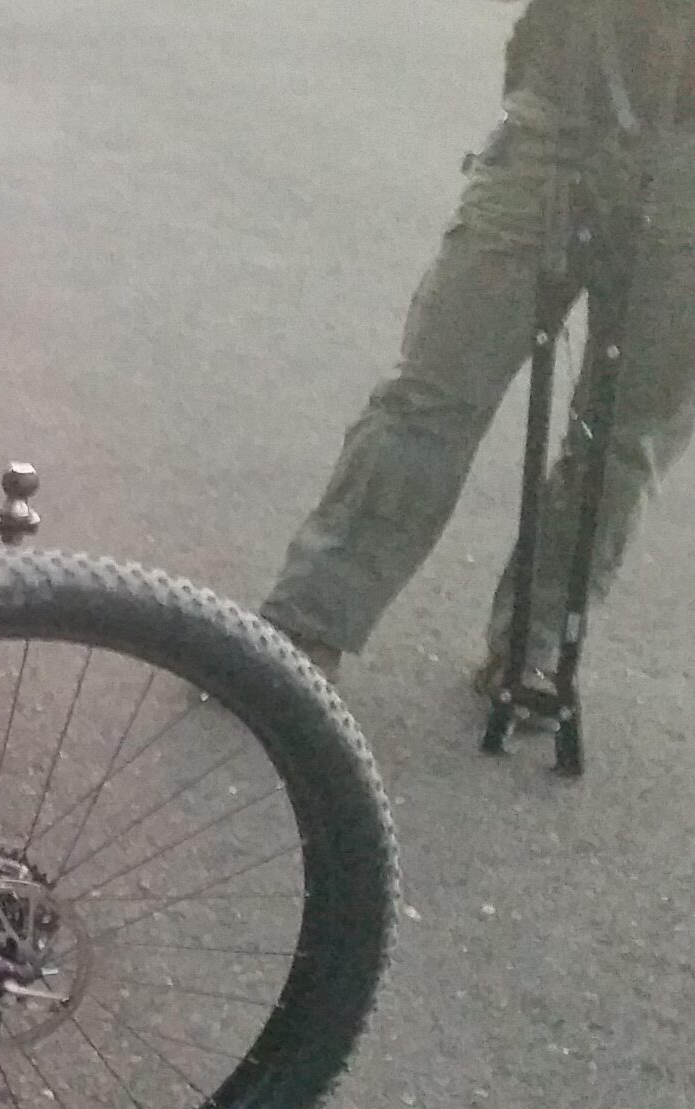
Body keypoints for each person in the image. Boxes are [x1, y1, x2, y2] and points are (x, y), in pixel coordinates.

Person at [260, 0, 695, 685]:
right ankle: (308, 621)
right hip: (560, 109)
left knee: (620, 439)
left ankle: (536, 640)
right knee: (433, 391)